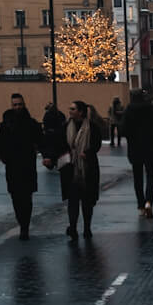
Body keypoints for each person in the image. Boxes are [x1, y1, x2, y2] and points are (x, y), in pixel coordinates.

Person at [0, 93, 42, 239]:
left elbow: (40, 139)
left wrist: (47, 155)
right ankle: (22, 221)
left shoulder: (30, 123)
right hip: (12, 165)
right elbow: (1, 142)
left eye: (19, 104)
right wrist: (5, 157)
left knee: (27, 197)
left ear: (24, 105)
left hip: (27, 164)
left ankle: (25, 225)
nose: (17, 107)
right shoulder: (6, 124)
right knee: (16, 197)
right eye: (15, 105)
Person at [61, 99, 102, 240]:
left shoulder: (92, 127)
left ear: (81, 112)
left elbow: (96, 144)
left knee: (87, 201)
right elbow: (61, 144)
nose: (70, 111)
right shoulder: (66, 126)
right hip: (70, 169)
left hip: (87, 169)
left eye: (73, 109)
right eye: (70, 109)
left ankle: (87, 228)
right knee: (72, 201)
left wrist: (88, 153)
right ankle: (72, 227)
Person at [121, 88, 153, 217]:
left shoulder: (128, 110)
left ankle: (141, 205)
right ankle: (149, 201)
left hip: (135, 148)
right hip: (150, 146)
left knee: (137, 177)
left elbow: (123, 130)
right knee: (151, 175)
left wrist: (130, 137)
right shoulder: (152, 110)